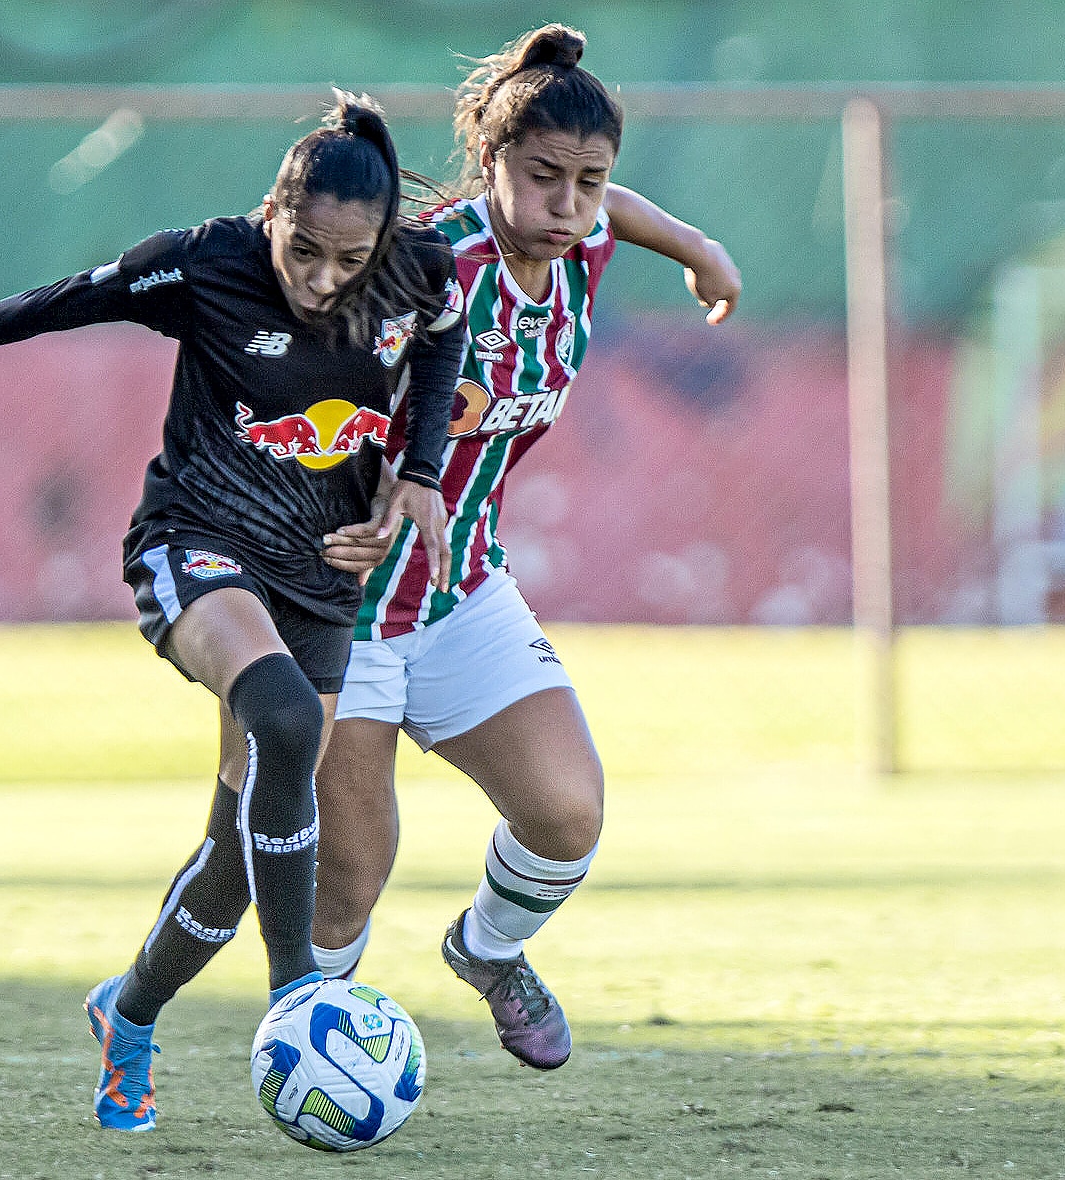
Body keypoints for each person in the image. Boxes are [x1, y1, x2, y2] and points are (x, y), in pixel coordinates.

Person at [0, 94, 467, 1131]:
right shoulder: (204, 263)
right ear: (271, 211)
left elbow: (446, 340)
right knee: (282, 722)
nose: (323, 281)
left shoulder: (419, 273)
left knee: (239, 848)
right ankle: (300, 1002)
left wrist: (418, 472)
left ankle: (127, 1008)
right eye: (303, 251)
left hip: (320, 574)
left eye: (346, 262)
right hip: (196, 541)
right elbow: (63, 300)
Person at [307, 26, 743, 1071]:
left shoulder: (581, 241)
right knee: (353, 872)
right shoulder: (422, 264)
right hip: (340, 607)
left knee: (566, 814)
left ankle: (486, 951)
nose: (569, 204)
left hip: (459, 595)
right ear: (489, 164)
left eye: (589, 182)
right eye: (543, 176)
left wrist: (697, 247)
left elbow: (615, 218)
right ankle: (310, 1048)